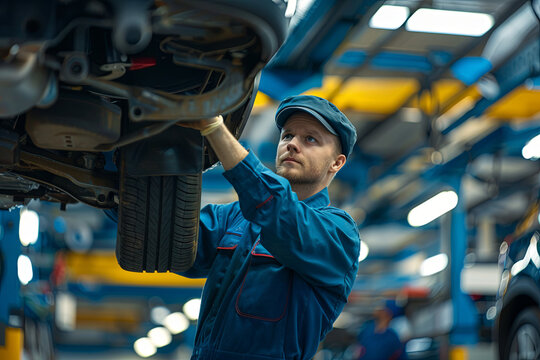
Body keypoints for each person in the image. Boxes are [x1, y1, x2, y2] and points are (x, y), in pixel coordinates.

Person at [176, 95, 361, 360]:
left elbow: (279, 214)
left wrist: (214, 129)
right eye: (287, 136)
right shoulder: (234, 217)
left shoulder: (339, 235)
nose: (293, 145)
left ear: (337, 162)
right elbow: (170, 238)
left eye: (310, 139)